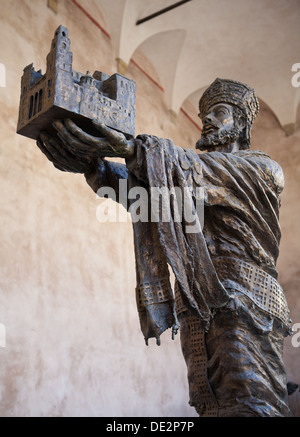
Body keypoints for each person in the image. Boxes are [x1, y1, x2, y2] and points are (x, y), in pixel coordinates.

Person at [37, 78, 292, 417]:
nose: (209, 119)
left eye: (219, 112)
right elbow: (149, 199)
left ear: (242, 122)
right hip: (199, 302)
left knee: (250, 403)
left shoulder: (261, 170)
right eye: (205, 114)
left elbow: (194, 170)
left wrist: (131, 149)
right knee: (210, 405)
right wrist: (94, 166)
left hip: (247, 302)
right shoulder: (190, 177)